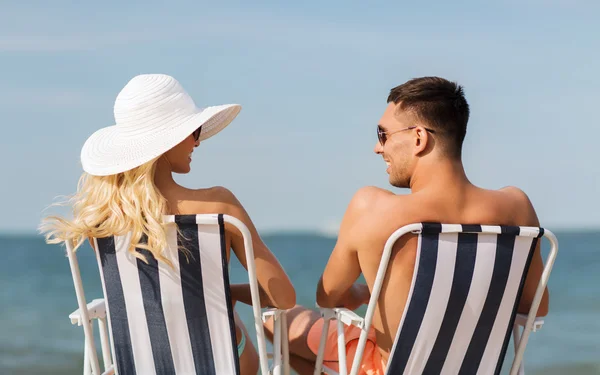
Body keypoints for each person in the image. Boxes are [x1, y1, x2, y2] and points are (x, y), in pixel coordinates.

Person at [264, 76, 549, 375]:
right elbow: (535, 310)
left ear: (418, 138)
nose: (377, 147)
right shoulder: (517, 207)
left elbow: (328, 298)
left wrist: (363, 294)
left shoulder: (372, 207)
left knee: (275, 322)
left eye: (383, 134)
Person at [41, 73, 296, 375]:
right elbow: (283, 297)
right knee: (226, 318)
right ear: (169, 139)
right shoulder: (219, 205)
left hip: (140, 368)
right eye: (194, 131)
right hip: (223, 366)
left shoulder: (103, 220)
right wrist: (227, 292)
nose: (198, 142)